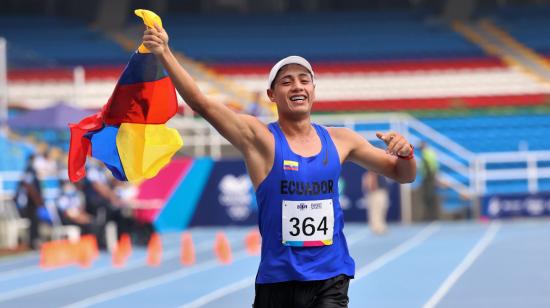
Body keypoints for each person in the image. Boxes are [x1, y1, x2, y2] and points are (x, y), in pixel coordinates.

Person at [143, 24, 416, 307]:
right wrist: (164, 52)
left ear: (313, 90)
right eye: (286, 82)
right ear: (272, 95)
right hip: (279, 281)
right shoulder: (260, 139)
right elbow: (202, 104)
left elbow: (401, 174)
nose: (297, 86)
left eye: (303, 80)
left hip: (331, 277)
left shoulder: (342, 140)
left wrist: (406, 154)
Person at [14, 155, 44, 249]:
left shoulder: (31, 171)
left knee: (36, 221)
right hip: (29, 203)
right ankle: (33, 241)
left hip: (32, 202)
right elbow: (28, 186)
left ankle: (35, 240)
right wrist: (37, 200)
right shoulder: (29, 171)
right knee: (34, 221)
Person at [419, 141, 439, 221]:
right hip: (428, 177)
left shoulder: (426, 154)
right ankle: (430, 215)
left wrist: (433, 177)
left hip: (429, 178)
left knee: (429, 197)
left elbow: (431, 167)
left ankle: (431, 215)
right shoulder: (430, 153)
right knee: (428, 197)